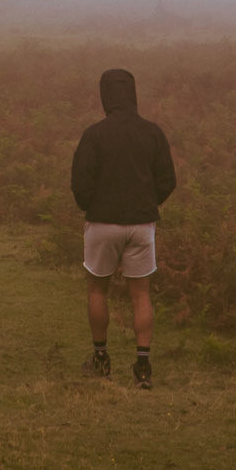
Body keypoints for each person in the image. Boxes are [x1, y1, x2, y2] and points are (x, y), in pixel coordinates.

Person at [70, 67, 176, 388]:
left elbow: (80, 184)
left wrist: (92, 206)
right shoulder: (153, 133)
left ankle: (101, 360)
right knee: (140, 294)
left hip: (102, 223)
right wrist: (147, 203)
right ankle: (143, 368)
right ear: (133, 94)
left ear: (105, 96)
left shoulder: (94, 134)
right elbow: (167, 181)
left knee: (97, 289)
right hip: (142, 224)